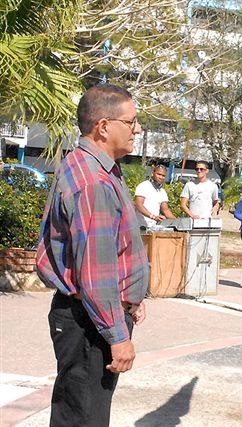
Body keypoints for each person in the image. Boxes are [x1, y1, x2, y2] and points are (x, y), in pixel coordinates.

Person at [36, 84, 149, 427]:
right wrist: (118, 335)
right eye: (131, 122)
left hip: (88, 315)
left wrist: (131, 299)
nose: (138, 129)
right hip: (89, 323)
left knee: (75, 413)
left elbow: (107, 251)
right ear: (103, 126)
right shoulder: (94, 181)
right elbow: (95, 274)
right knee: (85, 418)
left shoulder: (86, 164)